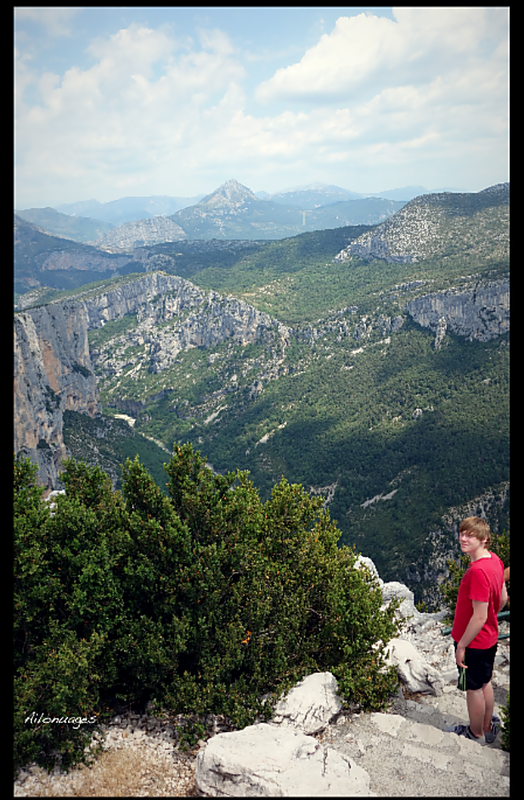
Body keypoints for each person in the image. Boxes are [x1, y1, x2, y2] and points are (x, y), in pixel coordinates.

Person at [447, 516, 507, 743]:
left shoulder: (477, 572)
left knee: (473, 688)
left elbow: (479, 616)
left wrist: (461, 644)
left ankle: (475, 733)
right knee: (485, 682)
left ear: (484, 539)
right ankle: (488, 726)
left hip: (473, 641)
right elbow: (502, 598)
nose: (463, 538)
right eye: (462, 533)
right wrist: (493, 615)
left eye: (470, 535)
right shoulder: (496, 561)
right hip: (489, 639)